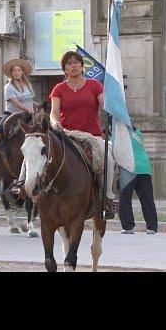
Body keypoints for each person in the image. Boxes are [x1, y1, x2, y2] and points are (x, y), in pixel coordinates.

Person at [47, 50, 116, 218]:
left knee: (108, 160)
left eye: (76, 62)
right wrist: (55, 123)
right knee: (38, 152)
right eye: (69, 63)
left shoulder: (94, 85)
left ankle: (108, 198)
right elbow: (54, 112)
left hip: (92, 136)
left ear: (82, 65)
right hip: (67, 135)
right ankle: (31, 190)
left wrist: (112, 107)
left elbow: (105, 104)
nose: (73, 66)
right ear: (64, 69)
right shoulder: (59, 89)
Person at [0, 58, 36, 169]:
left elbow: (30, 101)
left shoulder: (28, 86)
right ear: (11, 73)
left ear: (22, 72)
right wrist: (27, 109)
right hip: (12, 114)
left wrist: (38, 106)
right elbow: (16, 102)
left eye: (19, 70)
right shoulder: (8, 87)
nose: (16, 73)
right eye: (14, 70)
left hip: (28, 114)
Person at [119, 125, 158, 235]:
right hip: (145, 167)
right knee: (147, 199)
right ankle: (152, 227)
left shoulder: (121, 136)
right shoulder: (138, 133)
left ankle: (128, 226)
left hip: (129, 168)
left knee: (125, 197)